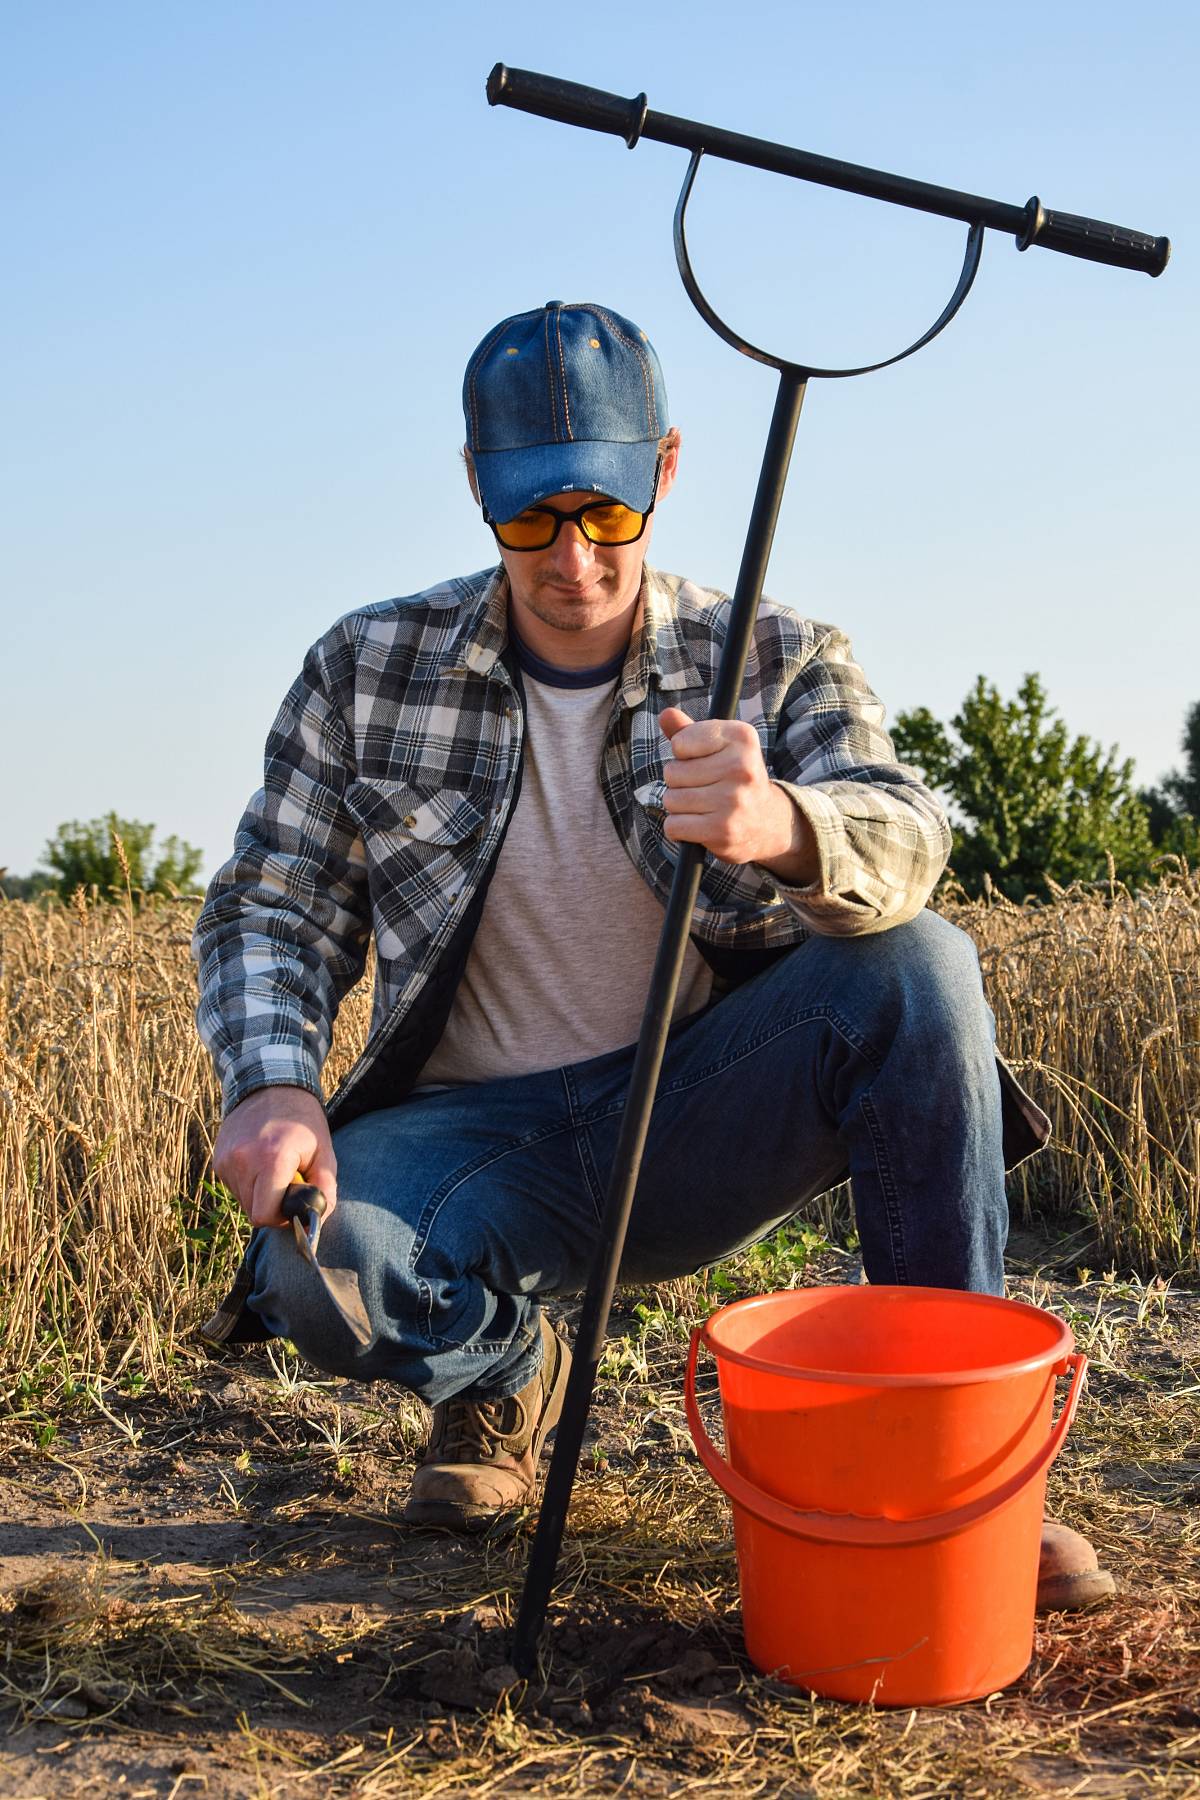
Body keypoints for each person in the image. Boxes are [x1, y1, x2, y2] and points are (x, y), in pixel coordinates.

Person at [194, 299, 1112, 1610]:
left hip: (694, 1110)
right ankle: (509, 1382)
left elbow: (909, 838)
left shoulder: (779, 655)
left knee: (923, 968)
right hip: (477, 1138)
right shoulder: (363, 666)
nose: (571, 557)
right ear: (474, 487)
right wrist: (274, 1080)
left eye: (607, 514)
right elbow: (276, 901)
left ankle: (968, 1472)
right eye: (530, 519)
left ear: (666, 473)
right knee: (311, 1268)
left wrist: (790, 828)